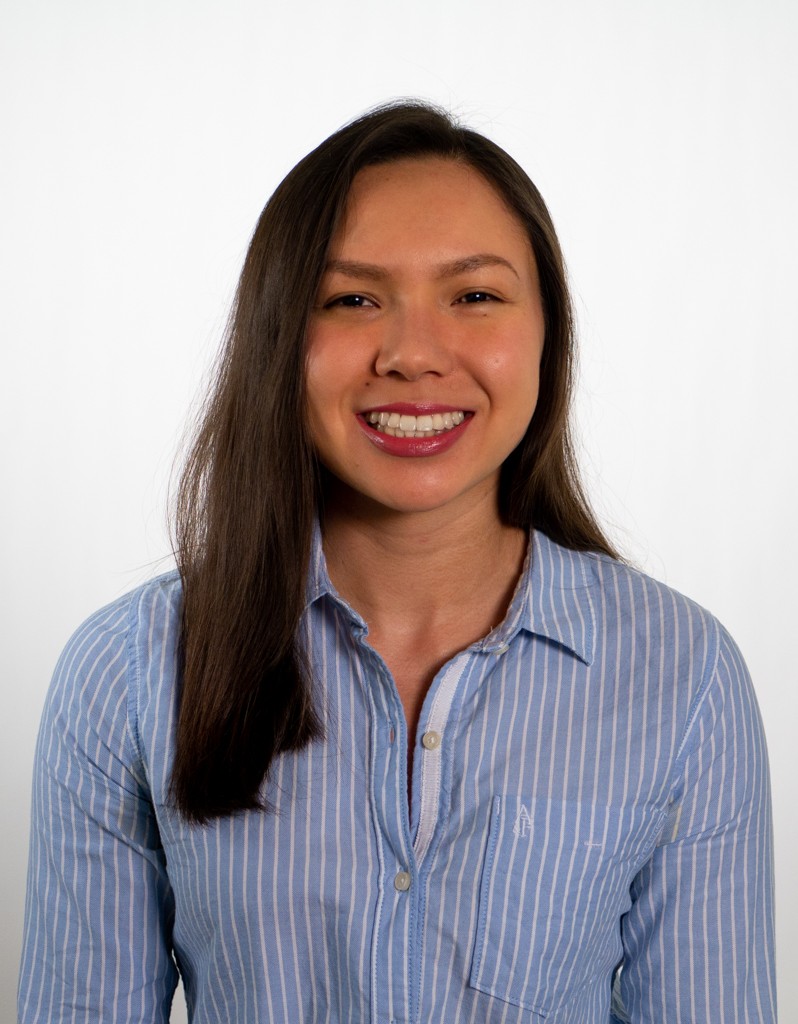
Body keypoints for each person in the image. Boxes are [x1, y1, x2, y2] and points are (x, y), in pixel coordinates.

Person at [18, 101, 776, 1023]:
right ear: (279, 339)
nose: (414, 355)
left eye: (475, 295)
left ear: (548, 334)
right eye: (352, 299)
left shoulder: (683, 673)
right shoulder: (128, 672)